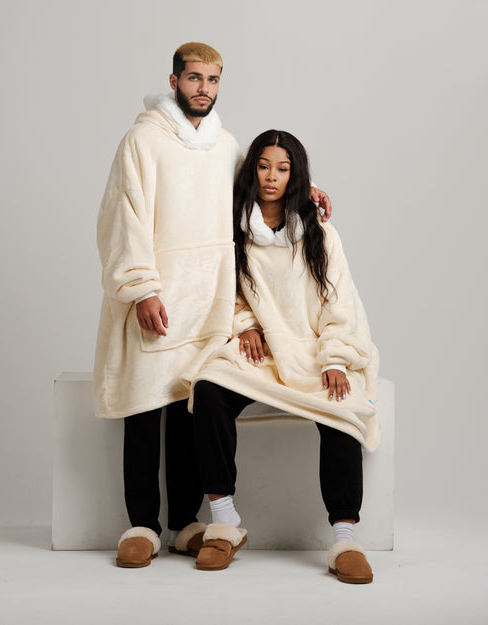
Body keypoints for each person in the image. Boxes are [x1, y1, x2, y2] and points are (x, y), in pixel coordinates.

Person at [94, 44, 332, 568]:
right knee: (143, 410)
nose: (204, 89)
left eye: (213, 80)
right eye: (194, 78)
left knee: (188, 409)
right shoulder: (142, 140)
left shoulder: (224, 144)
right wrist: (141, 288)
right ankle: (141, 525)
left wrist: (308, 189)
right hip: (159, 294)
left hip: (208, 301)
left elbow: (256, 182)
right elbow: (122, 216)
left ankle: (184, 523)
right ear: (174, 80)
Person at [190, 130, 380, 583]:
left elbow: (340, 303)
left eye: (282, 168)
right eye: (263, 166)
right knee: (208, 389)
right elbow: (228, 294)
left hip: (315, 350)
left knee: (343, 410)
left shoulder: (320, 233)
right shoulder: (232, 232)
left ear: (296, 176)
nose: (271, 177)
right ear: (250, 170)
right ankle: (225, 521)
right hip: (263, 351)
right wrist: (246, 325)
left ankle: (345, 538)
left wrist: (334, 359)